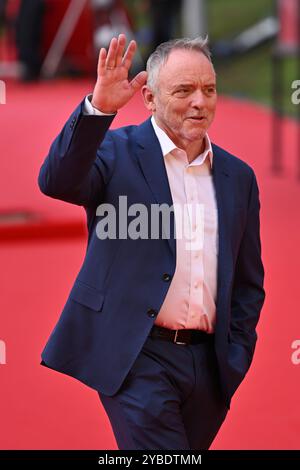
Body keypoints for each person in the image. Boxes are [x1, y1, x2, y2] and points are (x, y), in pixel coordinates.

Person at [38, 34, 265, 450]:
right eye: (184, 90)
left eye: (209, 90)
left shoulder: (239, 177)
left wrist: (236, 354)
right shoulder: (113, 154)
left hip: (210, 367)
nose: (200, 101)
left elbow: (249, 280)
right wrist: (99, 109)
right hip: (137, 356)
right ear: (149, 98)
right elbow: (56, 181)